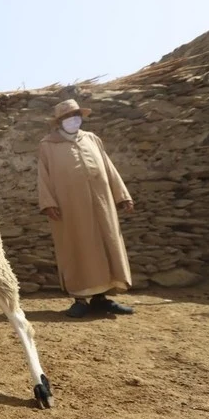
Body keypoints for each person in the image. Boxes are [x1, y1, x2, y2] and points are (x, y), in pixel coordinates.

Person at [37, 99, 136, 319]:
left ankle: (102, 299)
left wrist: (122, 196)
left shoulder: (92, 139)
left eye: (76, 115)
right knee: (77, 248)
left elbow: (109, 169)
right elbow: (43, 176)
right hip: (69, 208)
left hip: (102, 205)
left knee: (106, 244)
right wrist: (48, 203)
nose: (73, 119)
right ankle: (80, 299)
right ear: (59, 121)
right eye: (67, 117)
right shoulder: (48, 145)